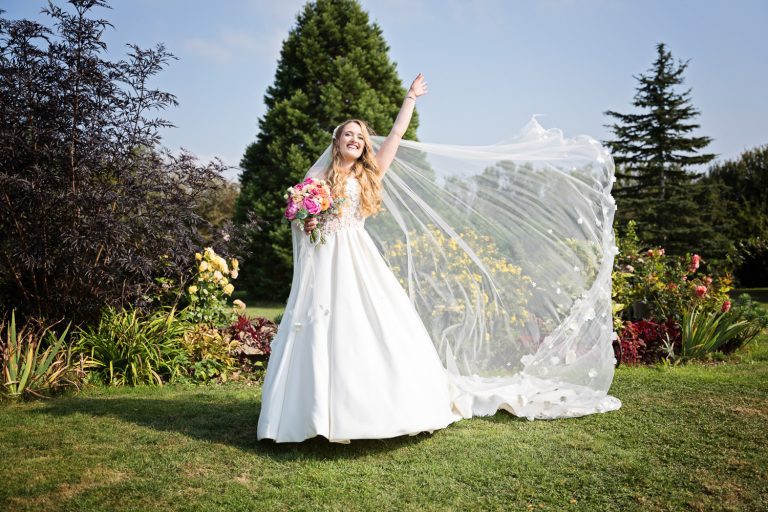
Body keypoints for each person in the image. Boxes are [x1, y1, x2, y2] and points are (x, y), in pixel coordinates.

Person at [257, 74, 467, 443]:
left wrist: (410, 99)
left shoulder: (369, 173)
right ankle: (314, 415)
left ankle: (377, 409)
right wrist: (307, 218)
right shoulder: (317, 176)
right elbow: (304, 221)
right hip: (325, 259)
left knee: (371, 323)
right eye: (348, 135)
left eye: (360, 136)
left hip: (358, 255)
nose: (355, 140)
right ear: (337, 142)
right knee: (321, 326)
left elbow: (397, 136)